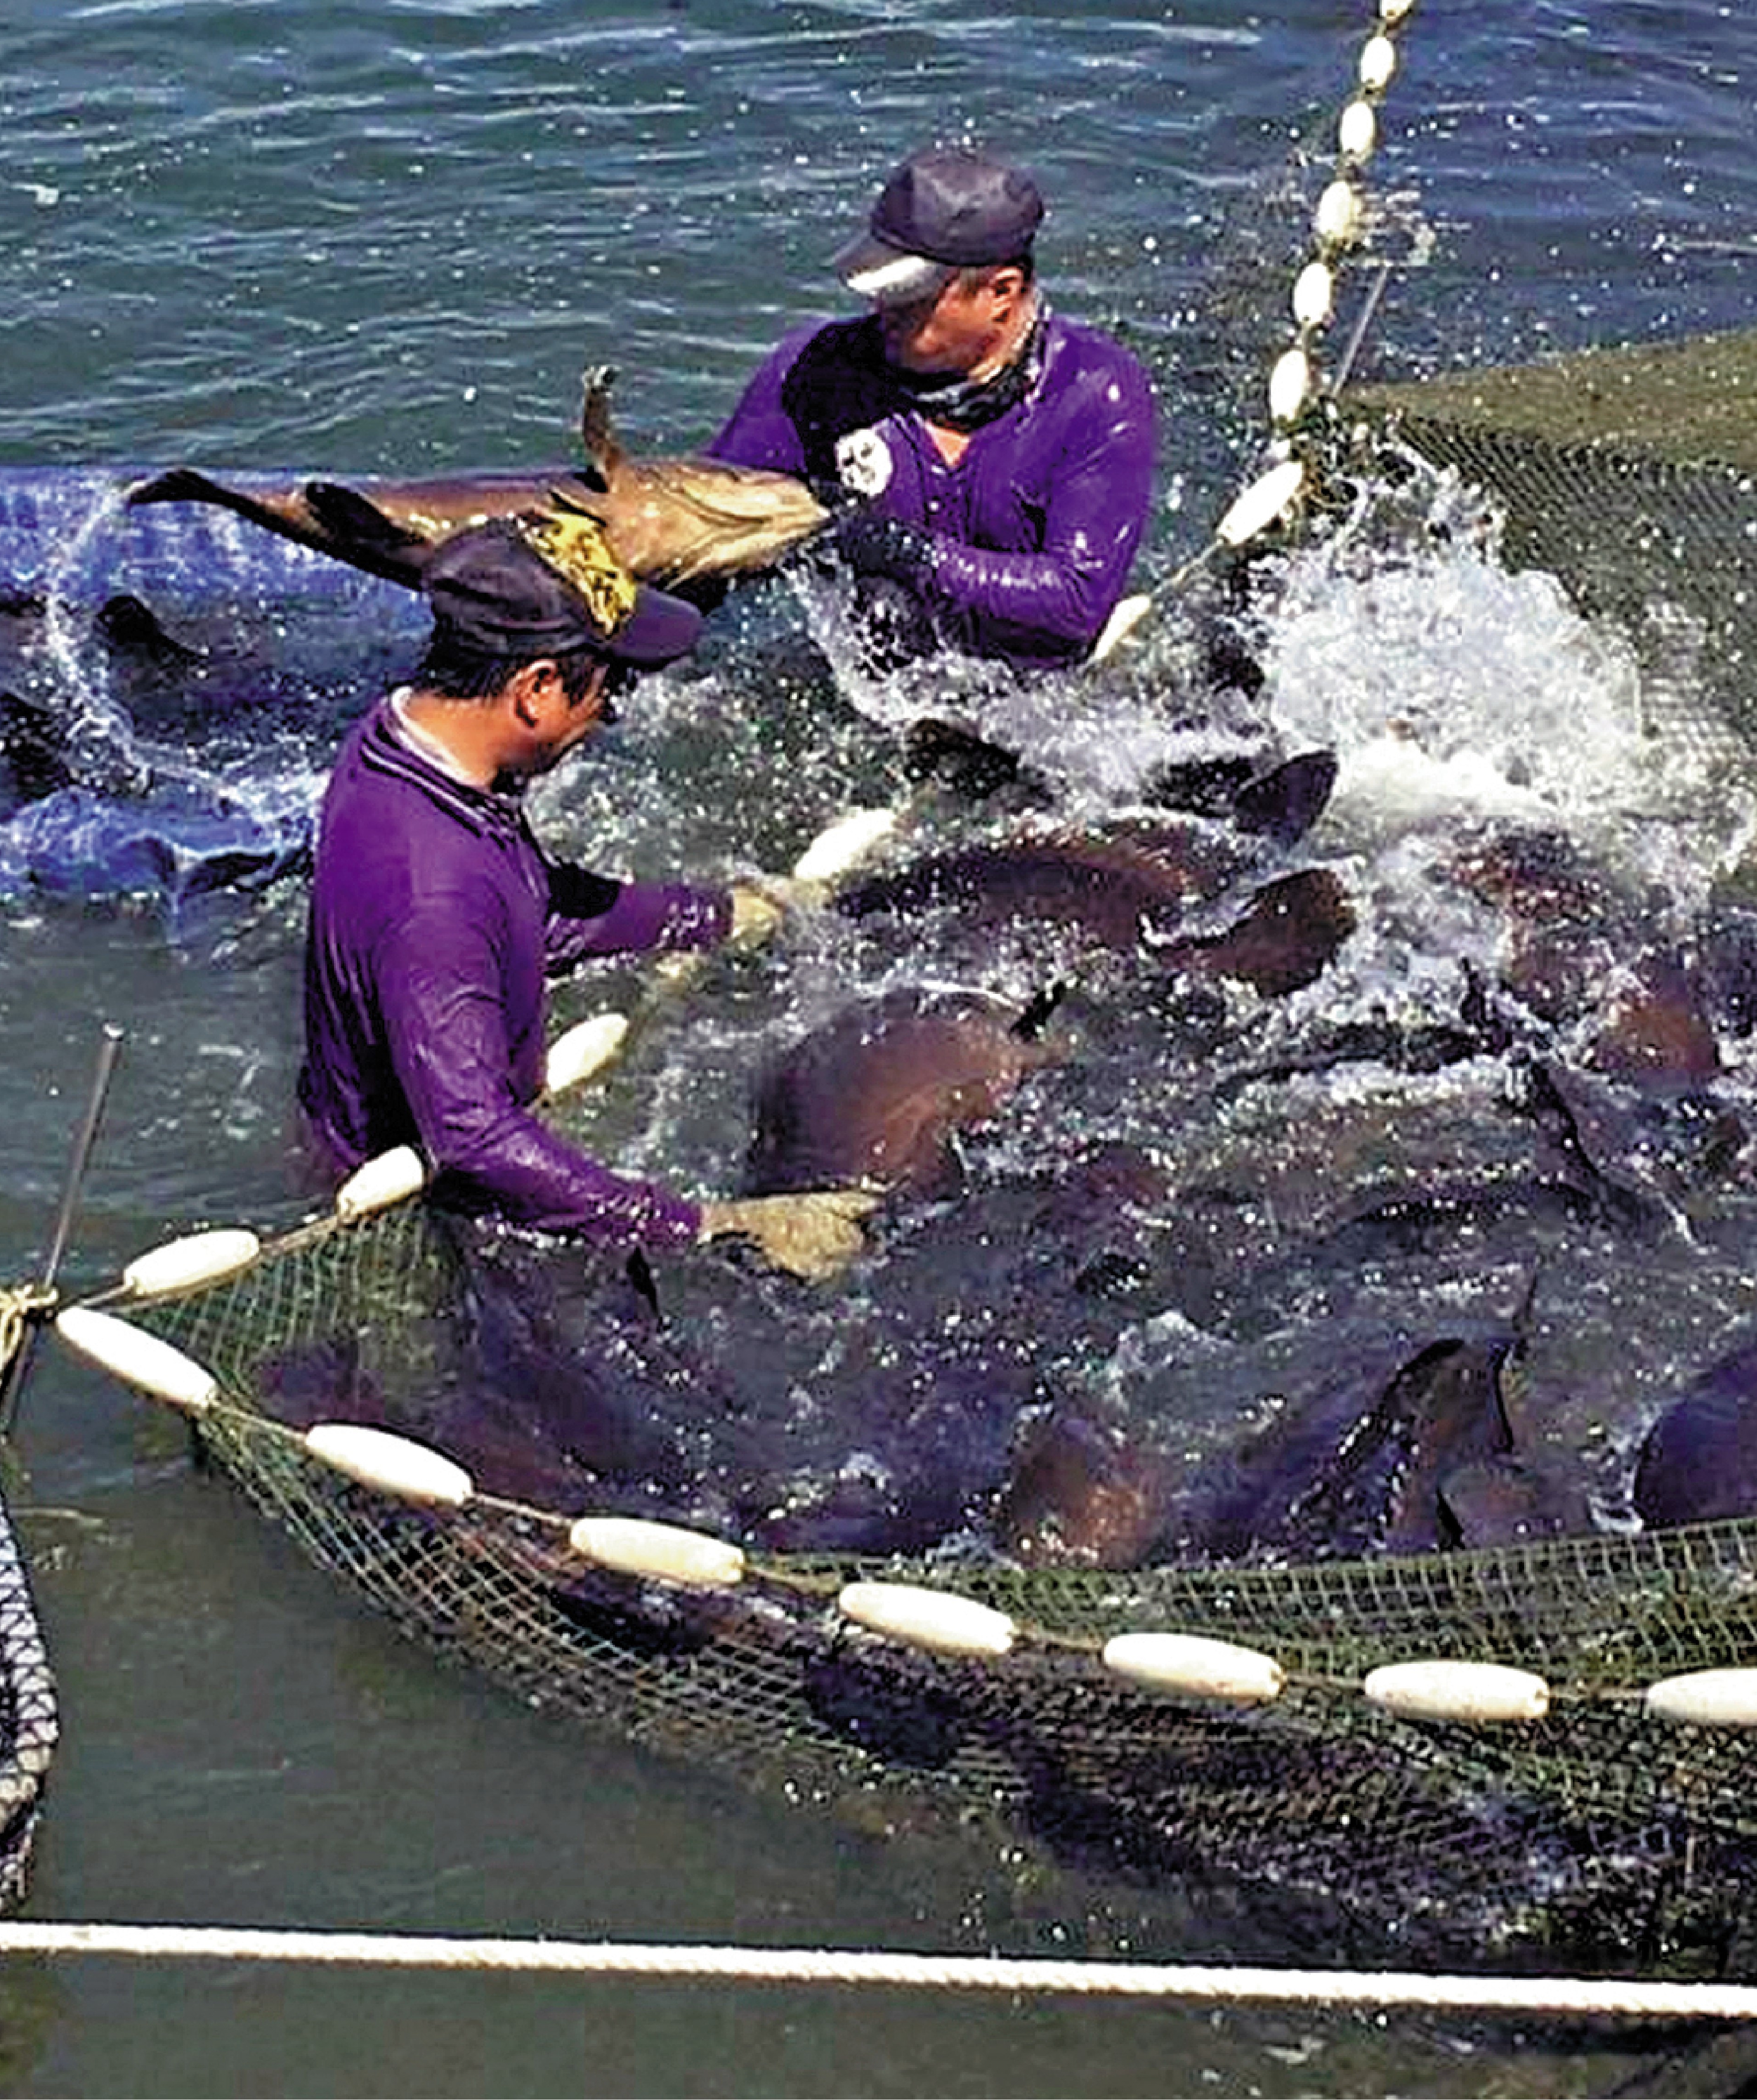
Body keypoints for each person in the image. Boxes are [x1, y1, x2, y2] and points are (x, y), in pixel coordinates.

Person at [296, 510, 877, 1281]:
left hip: (410, 1110)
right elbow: (474, 1137)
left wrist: (722, 915)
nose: (609, 714)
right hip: (410, 1197)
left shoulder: (400, 741)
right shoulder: (434, 897)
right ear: (535, 690)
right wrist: (710, 1224)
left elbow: (533, 905)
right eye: (610, 687)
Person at [707, 143, 1158, 672]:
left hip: (1041, 703)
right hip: (876, 687)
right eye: (881, 290)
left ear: (1001, 293)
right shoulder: (815, 369)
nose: (882, 311)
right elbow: (713, 517)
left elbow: (1075, 601)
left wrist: (908, 552)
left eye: (910, 297)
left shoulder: (1095, 392)